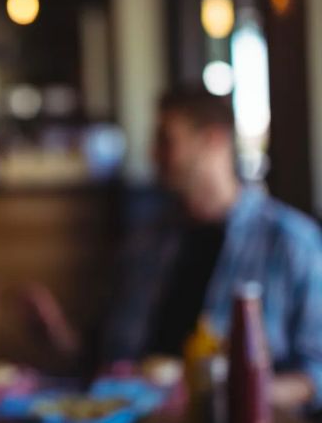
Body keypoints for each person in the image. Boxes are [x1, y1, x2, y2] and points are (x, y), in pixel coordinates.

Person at [104, 90, 322, 410]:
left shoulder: (291, 242)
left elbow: (316, 373)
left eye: (166, 141)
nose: (153, 154)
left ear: (213, 140)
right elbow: (109, 354)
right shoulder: (148, 241)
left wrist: (238, 392)